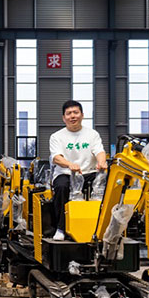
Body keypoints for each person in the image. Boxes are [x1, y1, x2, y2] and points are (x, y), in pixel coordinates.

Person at [49, 100, 107, 241]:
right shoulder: (56, 136)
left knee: (108, 185)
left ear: (82, 115)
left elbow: (99, 151)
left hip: (88, 172)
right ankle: (61, 228)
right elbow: (56, 157)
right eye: (69, 113)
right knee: (62, 187)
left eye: (76, 112)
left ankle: (103, 226)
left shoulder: (92, 134)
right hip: (66, 174)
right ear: (64, 118)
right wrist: (70, 164)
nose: (72, 116)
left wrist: (101, 161)